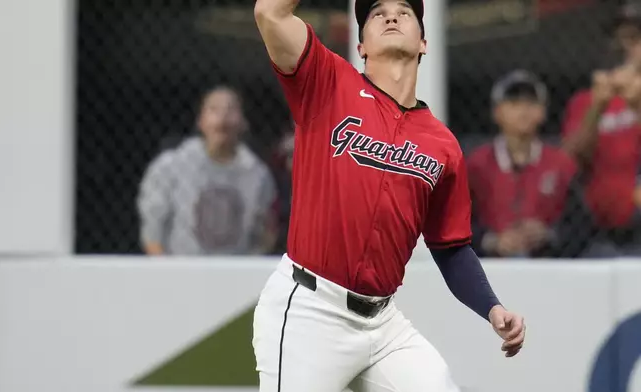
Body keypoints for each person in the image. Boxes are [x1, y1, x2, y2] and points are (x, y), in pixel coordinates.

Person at [251, 0, 526, 391]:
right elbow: (270, 13)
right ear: (360, 46)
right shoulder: (327, 82)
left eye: (405, 11)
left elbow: (451, 247)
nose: (392, 16)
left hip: (382, 324)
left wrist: (492, 306)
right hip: (309, 312)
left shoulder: (442, 144)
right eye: (377, 13)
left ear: (424, 43)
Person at [136, 86, 278, 255]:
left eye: (231, 109)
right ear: (200, 121)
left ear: (244, 122)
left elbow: (267, 231)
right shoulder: (170, 166)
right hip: (181, 271)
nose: (223, 116)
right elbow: (152, 228)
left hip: (235, 275)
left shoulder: (259, 175)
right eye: (214, 109)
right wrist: (166, 274)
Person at [468, 70, 583, 258]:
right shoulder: (476, 165)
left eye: (530, 103)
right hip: (488, 265)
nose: (523, 111)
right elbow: (454, 221)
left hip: (549, 264)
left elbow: (581, 226)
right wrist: (492, 240)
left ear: (543, 112)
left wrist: (549, 235)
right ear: (497, 113)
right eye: (514, 103)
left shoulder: (561, 165)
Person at [561, 3, 641, 256]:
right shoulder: (588, 99)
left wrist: (637, 103)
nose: (627, 46)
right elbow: (568, 162)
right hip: (599, 232)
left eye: (636, 37)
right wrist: (597, 108)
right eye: (622, 38)